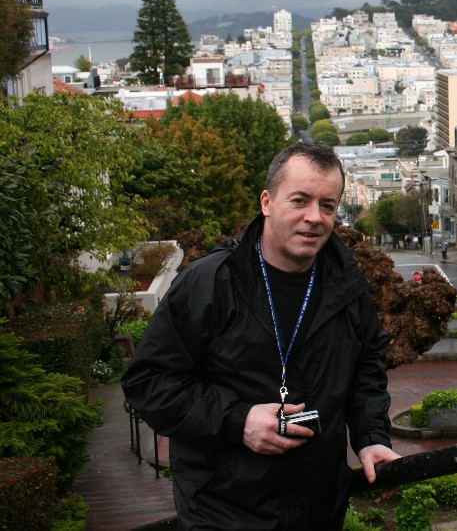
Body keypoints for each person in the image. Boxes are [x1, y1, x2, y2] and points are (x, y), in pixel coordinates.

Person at [121, 141, 400, 530]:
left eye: (328, 205)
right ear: (267, 202)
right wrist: (239, 421)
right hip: (223, 512)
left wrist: (371, 437)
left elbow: (367, 366)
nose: (314, 217)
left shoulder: (346, 286)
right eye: (300, 200)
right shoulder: (209, 284)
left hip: (319, 510)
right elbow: (147, 383)